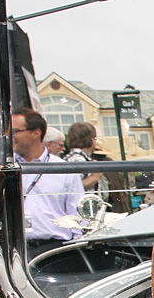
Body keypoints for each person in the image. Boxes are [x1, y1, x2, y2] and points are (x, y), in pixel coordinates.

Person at [12, 109, 84, 255]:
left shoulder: (63, 169)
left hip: (55, 250)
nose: (9, 137)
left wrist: (79, 248)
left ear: (35, 133)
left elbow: (77, 213)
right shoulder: (3, 168)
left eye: (14, 131)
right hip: (13, 251)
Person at [64, 122, 103, 190]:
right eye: (95, 138)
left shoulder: (75, 157)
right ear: (91, 140)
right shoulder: (77, 159)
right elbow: (74, 186)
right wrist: (95, 177)